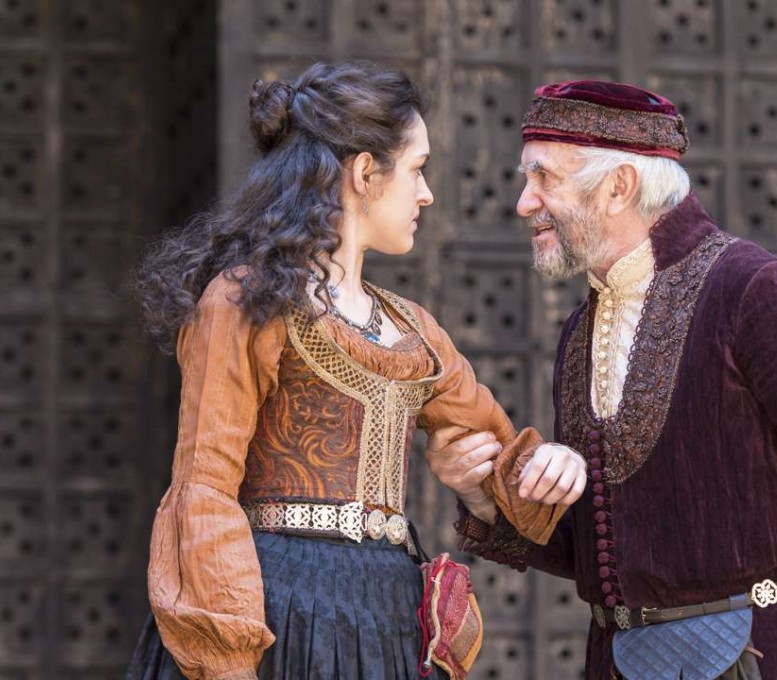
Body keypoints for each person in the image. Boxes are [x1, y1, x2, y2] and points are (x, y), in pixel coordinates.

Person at [425, 80, 777, 680]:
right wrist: (483, 492)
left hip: (765, 657)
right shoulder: (583, 330)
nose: (524, 202)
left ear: (618, 187)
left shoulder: (758, 296)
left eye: (544, 177)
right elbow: (609, 557)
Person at [124, 62, 587, 680]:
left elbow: (497, 459)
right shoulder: (244, 302)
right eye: (417, 169)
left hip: (384, 617)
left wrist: (551, 467)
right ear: (365, 173)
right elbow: (204, 490)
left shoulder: (415, 331)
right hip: (275, 611)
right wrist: (230, 657)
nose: (426, 194)